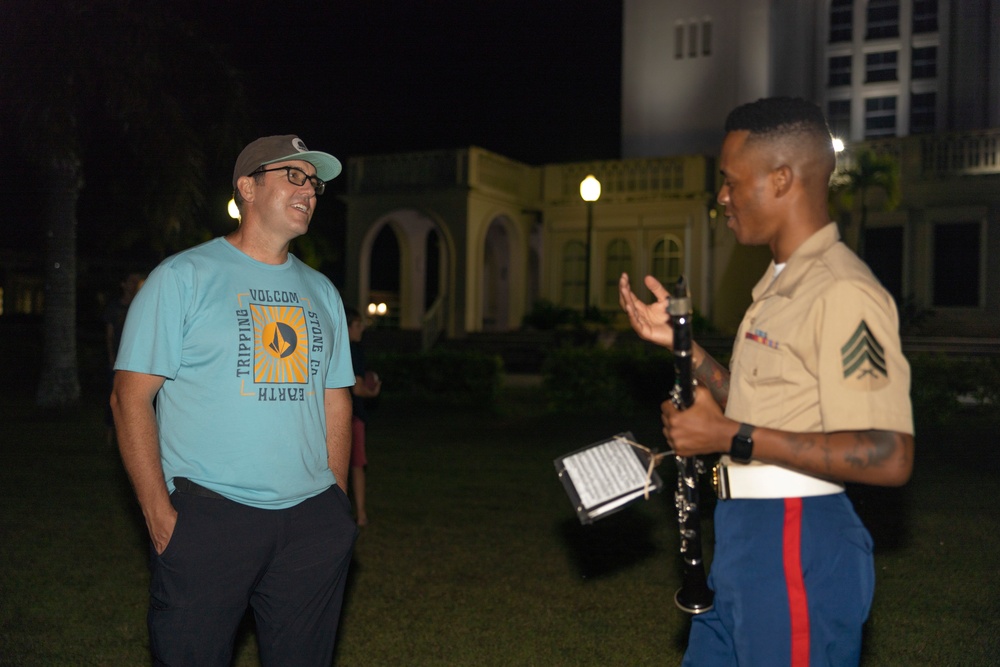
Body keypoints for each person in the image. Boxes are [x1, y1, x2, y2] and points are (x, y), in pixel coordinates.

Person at [618, 97, 914, 667]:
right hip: (745, 539)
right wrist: (684, 350)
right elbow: (761, 405)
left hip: (795, 537)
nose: (722, 197)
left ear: (781, 179)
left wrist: (729, 437)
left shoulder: (841, 290)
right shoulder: (779, 285)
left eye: (731, 181)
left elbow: (890, 454)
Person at [110, 135, 358, 666]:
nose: (309, 190)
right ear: (247, 187)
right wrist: (159, 515)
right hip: (211, 518)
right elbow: (129, 399)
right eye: (293, 176)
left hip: (311, 523)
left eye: (313, 182)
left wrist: (334, 498)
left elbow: (336, 400)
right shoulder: (182, 278)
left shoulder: (324, 293)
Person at [344, 306, 382, 527]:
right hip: (352, 415)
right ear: (347, 328)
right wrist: (372, 392)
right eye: (358, 325)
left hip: (329, 413)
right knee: (356, 464)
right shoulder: (353, 350)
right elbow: (357, 388)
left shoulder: (333, 347)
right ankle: (361, 514)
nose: (362, 329)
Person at [102, 272, 144, 445]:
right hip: (118, 360)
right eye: (131, 281)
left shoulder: (141, 305)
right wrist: (111, 357)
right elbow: (109, 335)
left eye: (137, 281)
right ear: (123, 284)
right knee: (114, 398)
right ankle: (109, 437)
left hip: (138, 361)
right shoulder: (114, 308)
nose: (135, 284)